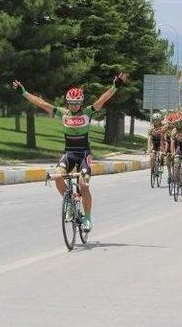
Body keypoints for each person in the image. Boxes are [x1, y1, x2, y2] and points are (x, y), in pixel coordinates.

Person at [12, 73, 128, 232]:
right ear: (67, 103)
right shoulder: (63, 113)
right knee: (57, 175)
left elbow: (103, 99)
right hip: (69, 153)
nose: (74, 106)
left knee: (83, 185)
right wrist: (23, 92)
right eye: (71, 103)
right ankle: (68, 200)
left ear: (81, 102)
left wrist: (116, 86)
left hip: (84, 154)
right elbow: (41, 103)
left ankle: (87, 218)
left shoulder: (88, 112)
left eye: (77, 103)